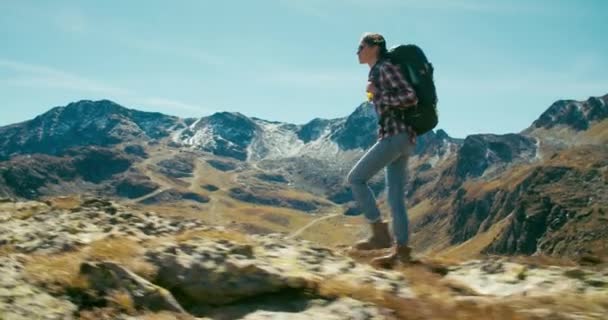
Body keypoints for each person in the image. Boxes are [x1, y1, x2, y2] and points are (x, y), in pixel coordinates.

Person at [347, 32, 418, 267]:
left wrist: (378, 94)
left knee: (356, 178)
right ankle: (403, 253)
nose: (357, 51)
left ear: (374, 47)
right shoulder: (377, 71)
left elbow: (410, 97)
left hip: (395, 137)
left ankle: (379, 234)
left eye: (360, 47)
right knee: (395, 198)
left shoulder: (384, 67)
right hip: (402, 138)